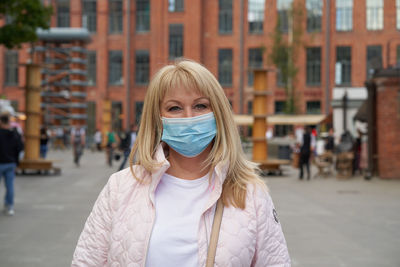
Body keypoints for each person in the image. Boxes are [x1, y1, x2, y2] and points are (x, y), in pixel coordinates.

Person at [72, 60, 290, 266]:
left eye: (201, 106)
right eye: (174, 108)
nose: (188, 117)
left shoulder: (251, 194)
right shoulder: (120, 187)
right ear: (157, 118)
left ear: (219, 113)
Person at [0, 112, 23, 216]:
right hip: (11, 163)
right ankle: (10, 206)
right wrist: (17, 162)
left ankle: (7, 205)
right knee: (10, 186)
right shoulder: (14, 133)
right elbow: (20, 148)